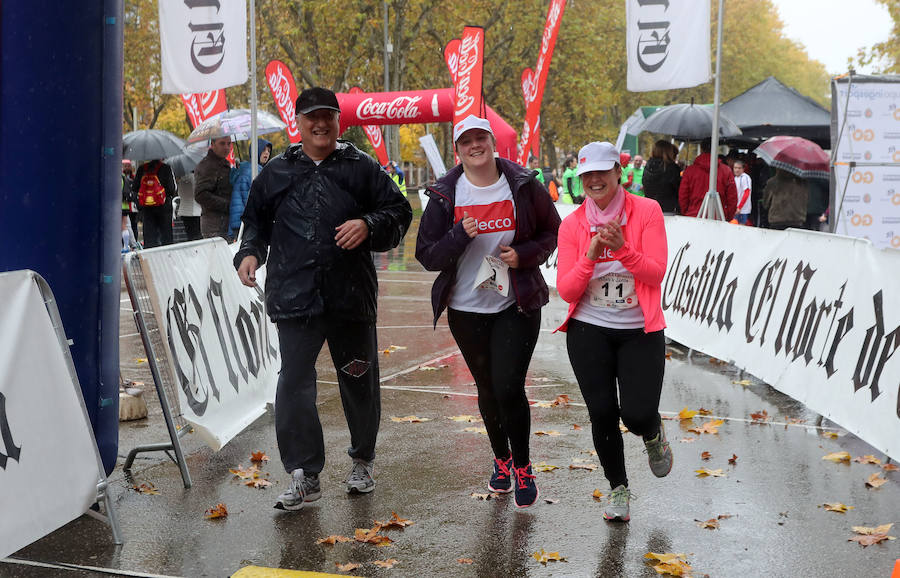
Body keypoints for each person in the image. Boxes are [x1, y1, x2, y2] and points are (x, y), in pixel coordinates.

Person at [234, 86, 412, 511]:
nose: (321, 124)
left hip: (350, 299)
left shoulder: (361, 167)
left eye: (328, 116)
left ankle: (363, 461)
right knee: (293, 385)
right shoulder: (276, 172)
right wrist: (249, 254)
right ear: (298, 123)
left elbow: (399, 212)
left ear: (338, 122)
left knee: (358, 381)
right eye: (312, 117)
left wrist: (369, 224)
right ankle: (304, 474)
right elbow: (254, 223)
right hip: (294, 297)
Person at [415, 115, 560, 508]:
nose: (474, 146)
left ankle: (524, 467)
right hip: (466, 308)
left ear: (493, 142)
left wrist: (525, 255)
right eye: (466, 141)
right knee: (487, 389)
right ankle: (502, 460)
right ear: (457, 149)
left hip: (516, 302)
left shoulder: (523, 184)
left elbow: (553, 230)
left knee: (509, 385)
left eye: (481, 138)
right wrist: (458, 234)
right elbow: (427, 255)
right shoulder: (447, 194)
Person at [555, 141, 671, 523]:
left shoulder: (648, 211)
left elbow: (655, 272)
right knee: (602, 412)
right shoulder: (572, 225)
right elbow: (568, 290)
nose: (595, 180)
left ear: (619, 173)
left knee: (636, 415)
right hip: (589, 328)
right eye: (588, 174)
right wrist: (590, 254)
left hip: (640, 328)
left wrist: (623, 249)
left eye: (603, 172)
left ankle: (652, 432)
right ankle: (618, 487)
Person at [678, 139, 737, 218]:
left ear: (701, 149)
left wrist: (686, 212)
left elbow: (683, 195)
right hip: (718, 216)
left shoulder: (690, 171)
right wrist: (728, 216)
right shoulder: (726, 171)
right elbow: (732, 198)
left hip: (693, 215)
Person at [228, 138, 272, 240]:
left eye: (269, 151)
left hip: (239, 223)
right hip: (245, 225)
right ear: (256, 150)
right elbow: (251, 200)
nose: (266, 153)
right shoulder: (253, 171)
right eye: (263, 150)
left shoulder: (249, 169)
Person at [195, 136, 234, 239]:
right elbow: (201, 195)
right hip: (214, 226)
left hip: (224, 223)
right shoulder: (208, 165)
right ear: (212, 144)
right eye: (222, 143)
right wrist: (227, 205)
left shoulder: (223, 164)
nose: (226, 147)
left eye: (229, 143)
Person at [132, 159, 177, 248]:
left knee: (150, 239)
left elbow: (134, 189)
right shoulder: (166, 168)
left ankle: (150, 258)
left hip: (147, 209)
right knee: (166, 238)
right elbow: (172, 189)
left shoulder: (142, 169)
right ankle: (166, 258)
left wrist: (140, 205)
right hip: (164, 208)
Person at [642, 140, 681, 215]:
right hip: (668, 209)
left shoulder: (648, 166)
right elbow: (677, 189)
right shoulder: (672, 168)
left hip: (649, 207)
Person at [176, 171, 202, 241]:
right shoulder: (194, 178)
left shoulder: (180, 179)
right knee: (197, 235)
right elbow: (197, 193)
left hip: (184, 210)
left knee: (189, 234)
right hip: (195, 210)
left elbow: (179, 193)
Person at [733, 159, 753, 224]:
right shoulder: (735, 178)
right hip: (737, 208)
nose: (737, 170)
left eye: (739, 168)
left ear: (743, 169)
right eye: (735, 168)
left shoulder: (744, 177)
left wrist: (739, 207)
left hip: (743, 209)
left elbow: (747, 192)